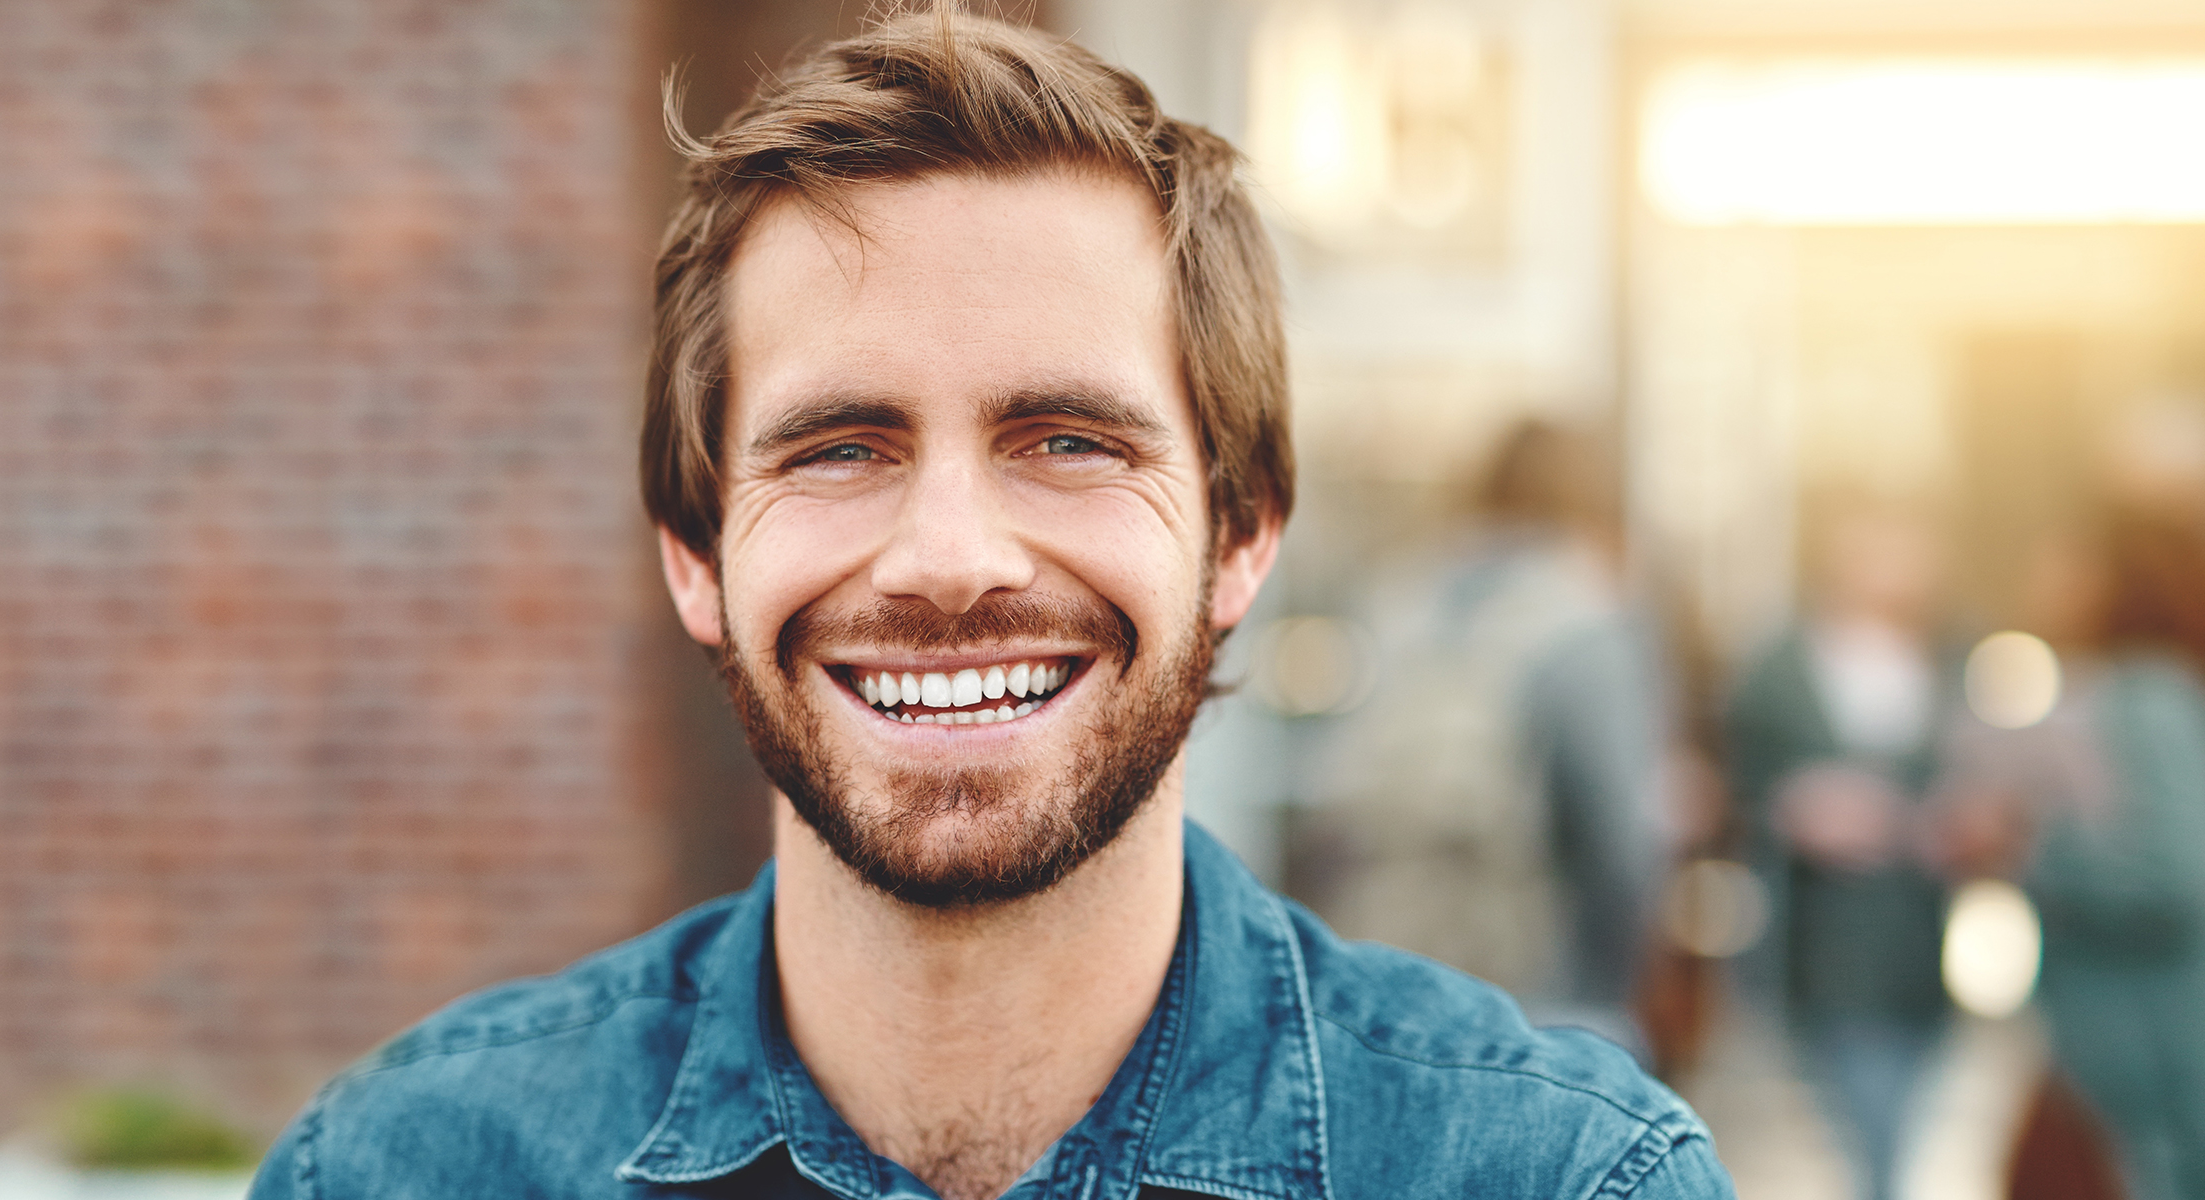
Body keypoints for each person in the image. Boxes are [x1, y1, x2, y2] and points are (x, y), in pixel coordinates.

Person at [247, 9, 1733, 1199]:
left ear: (1242, 535)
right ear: (696, 554)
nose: (949, 559)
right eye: (840, 448)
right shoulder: (401, 1171)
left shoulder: (1564, 1176)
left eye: (1068, 441)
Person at [1294, 420, 1673, 1059]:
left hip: (1383, 971)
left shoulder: (1397, 597)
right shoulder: (1586, 616)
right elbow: (1620, 841)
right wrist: (1621, 987)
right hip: (1536, 988)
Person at [1935, 516, 2205, 1200]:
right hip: (2123, 1041)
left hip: (2151, 1039)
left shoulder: (2144, 695)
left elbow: (2174, 872)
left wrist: (2027, 840)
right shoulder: (2119, 689)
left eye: (2062, 566)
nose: (2043, 583)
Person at [1723, 492, 1955, 1200]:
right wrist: (1793, 813)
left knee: (1901, 1116)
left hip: (1918, 938)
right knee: (1861, 1120)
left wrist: (1919, 821)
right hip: (1820, 940)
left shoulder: (1949, 658)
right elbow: (1735, 785)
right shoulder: (1781, 667)